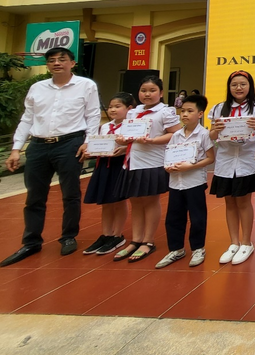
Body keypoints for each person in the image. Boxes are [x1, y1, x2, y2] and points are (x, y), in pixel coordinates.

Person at [1, 47, 101, 266]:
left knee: (70, 193)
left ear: (72, 63)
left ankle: (68, 236)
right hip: (37, 145)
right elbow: (27, 119)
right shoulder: (37, 88)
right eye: (52, 60)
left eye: (62, 59)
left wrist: (88, 142)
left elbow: (93, 115)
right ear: (47, 65)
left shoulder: (86, 86)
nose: (57, 63)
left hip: (70, 143)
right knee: (34, 196)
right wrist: (17, 148)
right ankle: (31, 241)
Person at [114, 75, 181, 263]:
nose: (147, 94)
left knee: (150, 201)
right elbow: (124, 133)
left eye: (152, 91)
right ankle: (135, 239)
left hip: (153, 161)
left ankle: (148, 241)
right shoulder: (132, 112)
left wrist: (152, 140)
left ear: (160, 93)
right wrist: (120, 139)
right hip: (132, 161)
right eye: (144, 90)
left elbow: (175, 133)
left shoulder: (165, 112)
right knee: (135, 201)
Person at [207, 71, 255, 266]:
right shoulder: (219, 108)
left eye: (243, 84)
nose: (239, 88)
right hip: (225, 162)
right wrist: (215, 131)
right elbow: (211, 137)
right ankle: (233, 242)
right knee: (229, 203)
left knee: (243, 202)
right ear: (229, 87)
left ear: (250, 86)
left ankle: (246, 242)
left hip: (247, 161)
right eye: (234, 84)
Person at [155, 93, 215, 269]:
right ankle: (176, 249)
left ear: (200, 114)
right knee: (174, 217)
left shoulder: (203, 134)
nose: (185, 114)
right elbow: (168, 156)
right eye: (182, 111)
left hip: (194, 182)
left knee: (197, 217)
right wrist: (168, 167)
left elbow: (210, 158)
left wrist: (191, 166)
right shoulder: (176, 135)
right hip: (175, 182)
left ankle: (198, 248)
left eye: (190, 111)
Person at [80, 92, 135, 256]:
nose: (113, 110)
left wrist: (125, 149)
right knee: (105, 201)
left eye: (118, 107)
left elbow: (135, 144)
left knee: (118, 200)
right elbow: (98, 143)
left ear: (129, 109)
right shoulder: (105, 126)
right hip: (104, 165)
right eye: (111, 107)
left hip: (120, 165)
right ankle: (106, 234)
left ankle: (117, 235)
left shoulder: (131, 125)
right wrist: (91, 151)